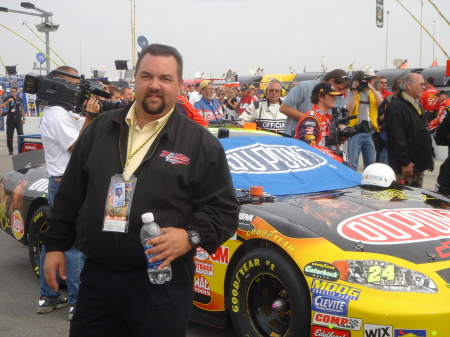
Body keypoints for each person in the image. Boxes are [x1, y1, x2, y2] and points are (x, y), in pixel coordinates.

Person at [40, 43, 239, 337]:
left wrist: (190, 235)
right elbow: (71, 194)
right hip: (97, 278)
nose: (155, 85)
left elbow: (223, 211)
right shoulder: (100, 129)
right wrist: (56, 245)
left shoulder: (200, 143)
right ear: (135, 79)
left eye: (165, 78)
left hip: (161, 285)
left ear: (179, 85)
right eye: (147, 76)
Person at [37, 65, 97, 321]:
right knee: (73, 245)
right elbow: (78, 146)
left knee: (54, 241)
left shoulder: (59, 112)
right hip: (65, 184)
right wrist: (90, 118)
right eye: (73, 85)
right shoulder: (56, 115)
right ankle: (77, 303)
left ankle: (47, 296)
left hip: (60, 182)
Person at [385, 73, 434, 187]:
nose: (424, 87)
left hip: (417, 165)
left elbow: (422, 132)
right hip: (406, 168)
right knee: (404, 201)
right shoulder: (397, 107)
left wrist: (428, 157)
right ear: (409, 85)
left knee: (416, 200)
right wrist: (405, 162)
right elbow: (396, 137)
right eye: (421, 84)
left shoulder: (417, 104)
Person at [280, 69, 349, 136]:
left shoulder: (340, 97)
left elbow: (338, 122)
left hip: (325, 143)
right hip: (298, 140)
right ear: (331, 81)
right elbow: (284, 108)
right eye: (339, 89)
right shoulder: (305, 87)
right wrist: (312, 121)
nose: (340, 93)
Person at [345, 70, 383, 170]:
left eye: (371, 80)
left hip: (370, 132)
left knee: (371, 164)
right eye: (367, 80)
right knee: (352, 164)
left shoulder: (375, 93)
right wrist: (355, 91)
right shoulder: (353, 92)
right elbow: (349, 109)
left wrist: (373, 90)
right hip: (355, 132)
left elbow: (382, 105)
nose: (370, 82)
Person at [376, 83, 400, 164]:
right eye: (396, 92)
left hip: (399, 134)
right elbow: (379, 119)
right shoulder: (386, 102)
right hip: (386, 133)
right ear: (393, 91)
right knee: (384, 156)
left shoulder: (405, 102)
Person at [0, 87, 25, 155]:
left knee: (21, 134)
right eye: (11, 91)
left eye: (14, 91)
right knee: (9, 135)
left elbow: (22, 109)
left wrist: (24, 118)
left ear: (17, 92)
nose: (12, 93)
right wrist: (8, 101)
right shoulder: (7, 98)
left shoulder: (19, 100)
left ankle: (22, 150)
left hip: (18, 118)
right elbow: (1, 106)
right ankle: (10, 150)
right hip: (10, 118)